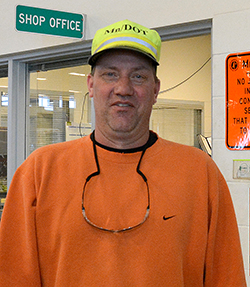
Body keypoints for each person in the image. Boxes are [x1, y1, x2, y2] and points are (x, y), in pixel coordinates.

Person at [0, 19, 247, 286]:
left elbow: (226, 276)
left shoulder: (200, 172)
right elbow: (13, 276)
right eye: (110, 74)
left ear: (155, 89)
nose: (123, 89)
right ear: (91, 85)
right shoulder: (40, 171)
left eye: (138, 76)